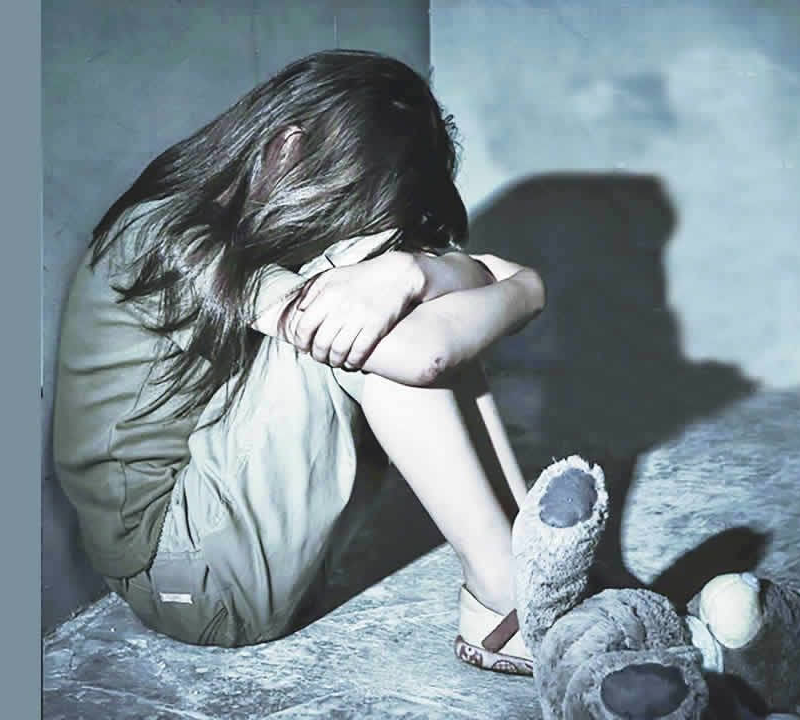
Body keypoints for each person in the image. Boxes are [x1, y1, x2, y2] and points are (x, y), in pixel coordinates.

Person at [51, 49, 544, 675]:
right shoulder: (168, 237)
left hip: (242, 546)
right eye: (348, 204)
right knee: (360, 313)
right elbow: (422, 353)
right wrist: (515, 288)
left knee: (374, 294)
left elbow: (472, 281)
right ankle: (503, 596)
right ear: (288, 148)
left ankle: (530, 559)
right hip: (184, 582)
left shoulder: (238, 226)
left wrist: (414, 270)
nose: (348, 229)